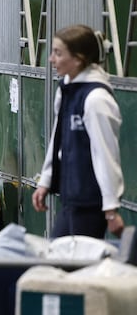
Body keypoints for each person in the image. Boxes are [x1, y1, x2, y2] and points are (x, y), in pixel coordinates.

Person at [31, 24, 124, 239]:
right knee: (59, 258)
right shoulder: (66, 89)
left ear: (78, 59)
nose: (51, 59)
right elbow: (58, 140)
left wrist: (111, 209)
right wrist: (46, 180)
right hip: (71, 195)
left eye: (58, 53)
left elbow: (106, 155)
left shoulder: (96, 99)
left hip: (91, 201)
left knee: (79, 268)